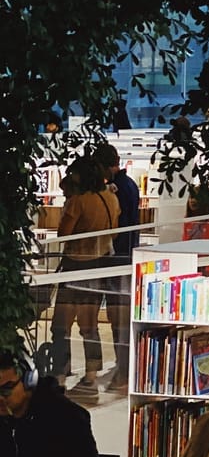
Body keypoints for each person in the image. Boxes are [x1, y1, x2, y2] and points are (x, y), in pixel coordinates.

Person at [53, 156, 121, 402]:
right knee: (89, 325)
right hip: (100, 263)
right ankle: (91, 376)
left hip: (76, 264)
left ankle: (59, 376)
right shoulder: (110, 197)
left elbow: (63, 233)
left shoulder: (78, 201)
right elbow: (115, 229)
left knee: (60, 326)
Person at [94, 143, 139, 394]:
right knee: (120, 318)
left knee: (118, 318)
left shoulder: (118, 189)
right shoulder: (129, 184)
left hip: (118, 259)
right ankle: (124, 369)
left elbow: (116, 225)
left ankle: (123, 372)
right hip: (127, 257)